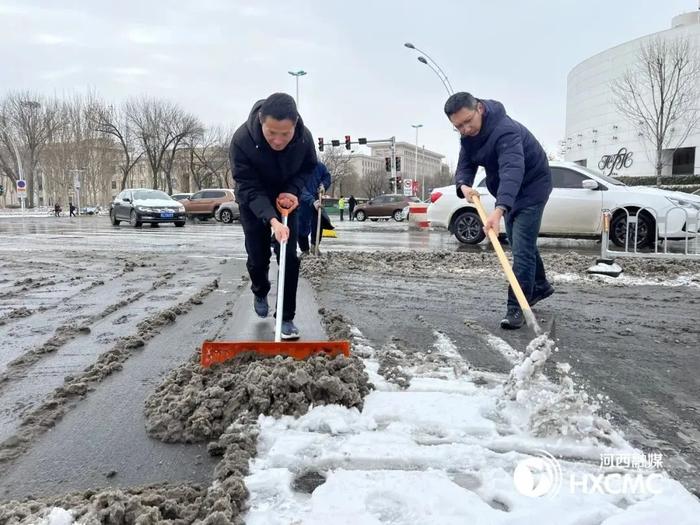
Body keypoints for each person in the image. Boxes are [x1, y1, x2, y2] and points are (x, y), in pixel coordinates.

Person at [444, 92, 554, 329]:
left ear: (480, 109)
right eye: (458, 126)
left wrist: (500, 208)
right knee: (519, 242)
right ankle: (541, 285)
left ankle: (516, 307)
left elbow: (512, 169)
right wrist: (463, 184)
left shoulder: (505, 130)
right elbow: (466, 163)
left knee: (521, 249)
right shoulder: (468, 137)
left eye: (467, 122)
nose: (464, 129)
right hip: (509, 190)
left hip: (532, 188)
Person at [230, 92, 317, 340]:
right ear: (261, 121)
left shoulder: (304, 138)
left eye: (285, 134)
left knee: (289, 257)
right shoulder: (241, 140)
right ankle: (260, 289)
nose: (278, 140)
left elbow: (309, 167)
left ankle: (286, 318)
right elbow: (247, 185)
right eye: (272, 133)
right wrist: (272, 220)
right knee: (257, 258)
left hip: (287, 200)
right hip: (253, 200)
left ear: (295, 124)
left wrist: (292, 191)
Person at [298, 162, 331, 255]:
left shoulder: (320, 166)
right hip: (302, 204)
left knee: (318, 224)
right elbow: (299, 187)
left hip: (317, 201)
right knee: (301, 227)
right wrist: (311, 200)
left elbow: (327, 177)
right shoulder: (298, 166)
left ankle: (314, 246)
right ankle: (304, 250)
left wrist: (323, 185)